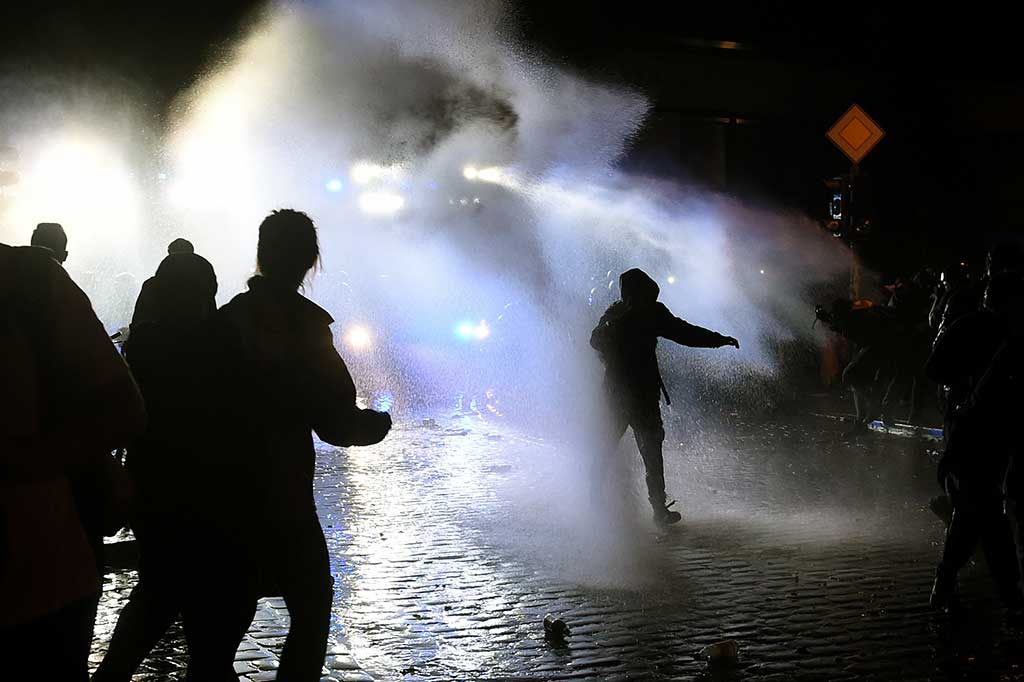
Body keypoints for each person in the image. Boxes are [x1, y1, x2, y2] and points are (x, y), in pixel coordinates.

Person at [220, 209, 391, 680]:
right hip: (284, 493)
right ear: (310, 259)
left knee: (225, 621)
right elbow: (336, 423)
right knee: (312, 606)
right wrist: (376, 424)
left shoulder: (228, 319)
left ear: (262, 255)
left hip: (224, 492)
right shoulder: (305, 325)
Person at [94, 252, 253, 682]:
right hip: (213, 493)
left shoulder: (143, 345)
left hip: (157, 490)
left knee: (157, 593)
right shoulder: (224, 341)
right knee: (205, 606)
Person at [0, 242, 145, 680]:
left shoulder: (27, 281)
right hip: (41, 569)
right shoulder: (30, 279)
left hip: (34, 569)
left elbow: (123, 408)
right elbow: (123, 408)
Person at [590, 268, 739, 526]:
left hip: (644, 396)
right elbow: (595, 340)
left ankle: (659, 509)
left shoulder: (653, 313)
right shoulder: (616, 313)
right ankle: (593, 500)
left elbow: (684, 332)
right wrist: (620, 321)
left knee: (651, 452)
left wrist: (718, 340)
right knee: (605, 448)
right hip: (617, 395)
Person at [927, 272, 1024, 615]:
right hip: (973, 426)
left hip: (990, 428)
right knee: (985, 512)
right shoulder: (976, 328)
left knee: (977, 511)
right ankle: (1007, 592)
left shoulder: (1004, 332)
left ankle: (948, 580)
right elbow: (936, 369)